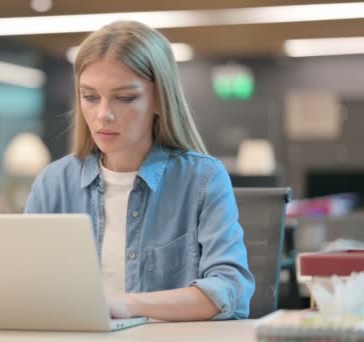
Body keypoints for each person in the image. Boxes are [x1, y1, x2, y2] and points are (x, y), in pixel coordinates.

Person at [25, 20, 254, 321]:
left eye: (124, 98)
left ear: (160, 100)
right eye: (90, 97)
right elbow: (25, 287)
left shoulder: (203, 179)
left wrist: (125, 306)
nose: (103, 114)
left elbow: (229, 290)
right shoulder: (54, 183)